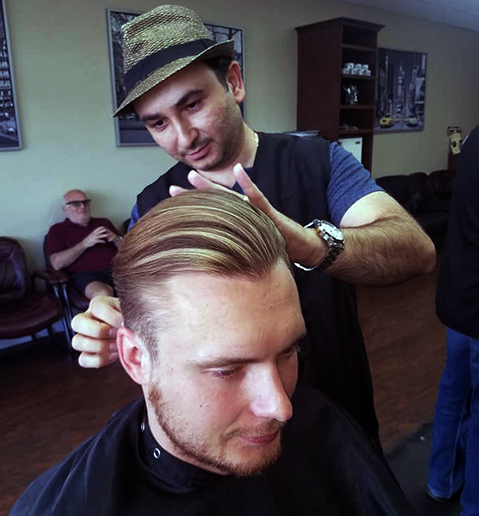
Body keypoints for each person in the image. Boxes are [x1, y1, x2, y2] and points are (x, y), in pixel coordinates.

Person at [71, 5, 435, 442]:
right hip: (228, 431)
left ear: (234, 83)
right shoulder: (152, 205)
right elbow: (139, 304)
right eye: (159, 123)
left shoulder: (318, 163)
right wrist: (106, 316)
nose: (184, 137)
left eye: (193, 104)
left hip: (335, 411)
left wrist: (307, 245)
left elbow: (418, 252)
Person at [11, 190, 416, 516]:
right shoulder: (60, 504)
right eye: (227, 370)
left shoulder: (324, 428)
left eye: (288, 352)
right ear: (136, 358)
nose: (282, 407)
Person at [427, 125, 479, 514]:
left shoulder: (475, 137)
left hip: (460, 295)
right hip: (472, 301)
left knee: (454, 393)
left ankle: (441, 483)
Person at [45, 189, 122, 300]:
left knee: (146, 287)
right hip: (86, 276)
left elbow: (130, 250)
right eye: (76, 204)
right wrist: (85, 243)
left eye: (85, 203)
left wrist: (115, 239)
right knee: (102, 295)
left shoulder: (104, 222)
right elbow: (56, 264)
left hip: (117, 271)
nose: (82, 207)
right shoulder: (57, 230)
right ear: (65, 209)